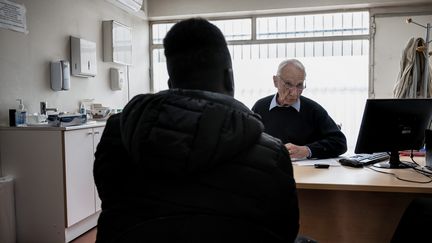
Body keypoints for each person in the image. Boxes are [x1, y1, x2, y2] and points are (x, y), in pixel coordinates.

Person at [93, 18, 299, 243]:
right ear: (229, 78)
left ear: (171, 83)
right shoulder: (272, 154)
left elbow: (111, 200)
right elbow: (285, 231)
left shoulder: (119, 133)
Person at [252, 59, 347, 159]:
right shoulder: (260, 107)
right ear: (275, 81)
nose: (294, 93)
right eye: (288, 84)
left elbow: (340, 142)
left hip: (306, 172)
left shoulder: (313, 110)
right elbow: (247, 141)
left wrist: (306, 150)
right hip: (268, 168)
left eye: (299, 85)